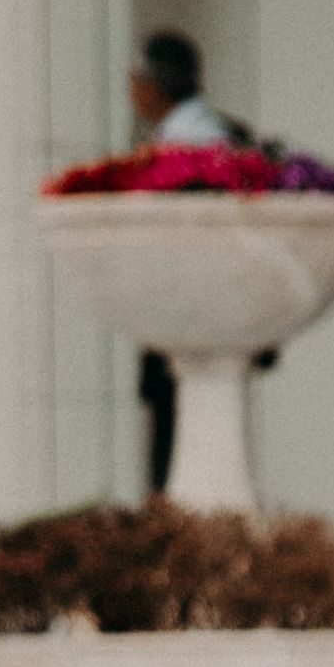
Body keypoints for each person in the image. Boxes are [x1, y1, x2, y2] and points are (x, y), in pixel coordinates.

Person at [127, 32, 251, 488]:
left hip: (187, 315)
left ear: (151, 84)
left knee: (177, 450)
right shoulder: (228, 135)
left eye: (134, 80)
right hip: (217, 315)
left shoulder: (184, 148)